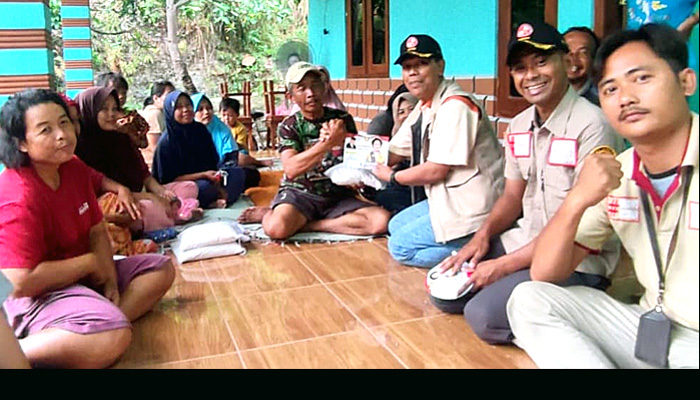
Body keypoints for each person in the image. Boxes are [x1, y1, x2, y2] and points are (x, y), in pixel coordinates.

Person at [507, 23, 699, 369]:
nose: (625, 97)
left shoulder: (586, 124)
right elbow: (545, 273)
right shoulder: (619, 171)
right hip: (652, 326)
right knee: (528, 300)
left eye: (641, 79)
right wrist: (578, 198)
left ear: (686, 82)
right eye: (610, 88)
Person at [432, 21, 623, 344]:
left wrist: (502, 267)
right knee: (446, 289)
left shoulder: (593, 125)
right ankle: (530, 296)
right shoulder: (520, 124)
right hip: (525, 239)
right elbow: (511, 196)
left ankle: (585, 312)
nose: (531, 75)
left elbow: (579, 226)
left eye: (541, 61)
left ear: (566, 61)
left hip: (574, 256)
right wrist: (482, 237)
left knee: (484, 316)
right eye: (520, 68)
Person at [0, 89, 175, 368]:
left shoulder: (73, 167)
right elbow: (19, 282)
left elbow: (95, 230)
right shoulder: (18, 194)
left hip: (80, 280)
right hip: (37, 296)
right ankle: (16, 351)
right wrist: (92, 263)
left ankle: (94, 326)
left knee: (160, 269)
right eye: (46, 130)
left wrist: (106, 276)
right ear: (21, 143)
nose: (62, 135)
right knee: (111, 336)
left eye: (64, 123)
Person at [371, 34, 504, 268]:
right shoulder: (426, 105)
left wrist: (392, 177)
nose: (412, 73)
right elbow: (393, 150)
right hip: (445, 199)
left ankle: (487, 247)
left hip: (472, 207)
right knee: (395, 225)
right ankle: (468, 244)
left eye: (421, 64)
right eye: (407, 67)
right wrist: (349, 150)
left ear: (440, 66)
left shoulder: (456, 105)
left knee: (400, 248)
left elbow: (436, 171)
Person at [237, 62, 390, 239]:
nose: (311, 93)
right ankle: (279, 216)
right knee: (276, 229)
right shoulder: (289, 126)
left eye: (315, 85)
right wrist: (327, 143)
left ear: (324, 88)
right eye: (302, 88)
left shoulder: (341, 119)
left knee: (381, 221)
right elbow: (291, 169)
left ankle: (308, 225)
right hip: (300, 193)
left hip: (337, 194)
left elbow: (353, 157)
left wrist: (359, 176)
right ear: (291, 96)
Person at [74, 87, 200, 233]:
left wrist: (162, 192)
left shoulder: (122, 139)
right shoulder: (81, 148)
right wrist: (150, 197)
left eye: (114, 109)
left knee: (189, 187)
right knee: (147, 210)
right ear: (89, 110)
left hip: (139, 193)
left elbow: (144, 175)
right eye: (103, 109)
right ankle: (177, 216)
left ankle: (173, 215)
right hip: (118, 202)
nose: (111, 114)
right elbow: (100, 192)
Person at [152, 90, 243, 209]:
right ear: (170, 112)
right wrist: (203, 175)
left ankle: (217, 198)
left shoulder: (200, 130)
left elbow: (212, 163)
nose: (186, 109)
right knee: (202, 188)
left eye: (188, 105)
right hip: (184, 185)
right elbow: (168, 179)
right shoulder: (167, 142)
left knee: (237, 173)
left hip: (207, 178)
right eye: (179, 107)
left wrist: (216, 179)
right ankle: (209, 202)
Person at [192, 92, 262, 189]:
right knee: (202, 187)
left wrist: (220, 173)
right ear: (192, 113)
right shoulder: (187, 132)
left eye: (209, 108)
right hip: (198, 176)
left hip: (220, 172)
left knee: (251, 175)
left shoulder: (222, 129)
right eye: (200, 110)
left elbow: (230, 160)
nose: (206, 112)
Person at [370, 91, 418, 213]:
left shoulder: (427, 135)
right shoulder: (394, 139)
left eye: (412, 109)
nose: (407, 115)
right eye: (401, 112)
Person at [139, 80, 175, 169]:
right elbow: (154, 146)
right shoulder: (154, 114)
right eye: (168, 95)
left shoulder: (163, 113)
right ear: (156, 98)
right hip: (153, 164)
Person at [563, 26, 601, 106]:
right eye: (567, 51)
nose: (573, 59)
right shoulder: (542, 95)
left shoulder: (601, 100)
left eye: (583, 53)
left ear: (594, 59)